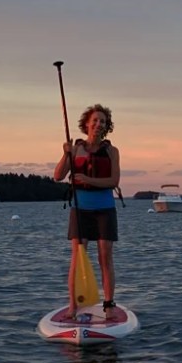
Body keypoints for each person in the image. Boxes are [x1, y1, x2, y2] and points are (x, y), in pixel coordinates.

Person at [53, 104, 121, 319]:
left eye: (102, 121)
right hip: (80, 209)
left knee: (105, 256)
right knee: (78, 256)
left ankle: (108, 305)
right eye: (95, 120)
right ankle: (73, 305)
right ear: (87, 124)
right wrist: (66, 155)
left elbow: (114, 180)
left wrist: (89, 179)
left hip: (104, 209)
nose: (99, 124)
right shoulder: (75, 149)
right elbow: (57, 176)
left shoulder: (112, 151)